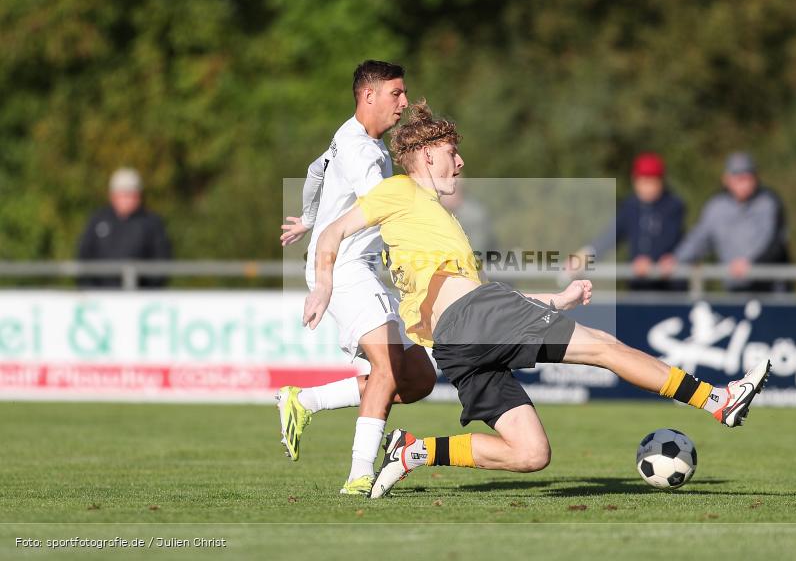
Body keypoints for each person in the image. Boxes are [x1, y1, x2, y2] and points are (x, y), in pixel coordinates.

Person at [301, 102, 771, 499]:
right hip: (473, 321)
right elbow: (333, 232)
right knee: (604, 347)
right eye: (451, 152)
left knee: (531, 454)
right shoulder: (399, 190)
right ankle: (717, 400)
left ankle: (414, 451)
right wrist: (323, 284)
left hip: (459, 343)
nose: (460, 162)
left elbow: (488, 293)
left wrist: (557, 300)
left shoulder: (440, 223)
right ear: (426, 155)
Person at [277, 60, 436, 496]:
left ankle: (304, 400)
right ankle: (359, 474)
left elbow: (315, 171)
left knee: (418, 378)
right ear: (368, 95)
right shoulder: (362, 152)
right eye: (396, 93)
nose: (404, 102)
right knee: (386, 368)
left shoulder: (350, 137)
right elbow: (381, 205)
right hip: (343, 269)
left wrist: (310, 218)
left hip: (358, 268)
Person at [659, 152, 790, 292]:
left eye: (748, 178)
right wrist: (677, 259)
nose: (744, 185)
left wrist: (753, 264)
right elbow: (699, 239)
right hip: (736, 288)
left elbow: (776, 243)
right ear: (726, 179)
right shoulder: (717, 207)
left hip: (771, 288)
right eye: (739, 179)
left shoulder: (769, 203)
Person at [565, 153, 685, 290]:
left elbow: (670, 238)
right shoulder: (630, 207)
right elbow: (610, 236)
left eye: (652, 181)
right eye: (643, 181)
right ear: (635, 181)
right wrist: (583, 257)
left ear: (661, 182)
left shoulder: (673, 206)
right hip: (639, 286)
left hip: (669, 287)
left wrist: (652, 260)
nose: (648, 187)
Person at [76, 168, 171, 288]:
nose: (126, 199)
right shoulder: (98, 220)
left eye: (131, 194)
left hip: (139, 295)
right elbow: (84, 257)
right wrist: (91, 289)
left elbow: (161, 261)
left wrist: (146, 291)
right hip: (101, 294)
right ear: (112, 196)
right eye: (122, 194)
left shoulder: (151, 223)